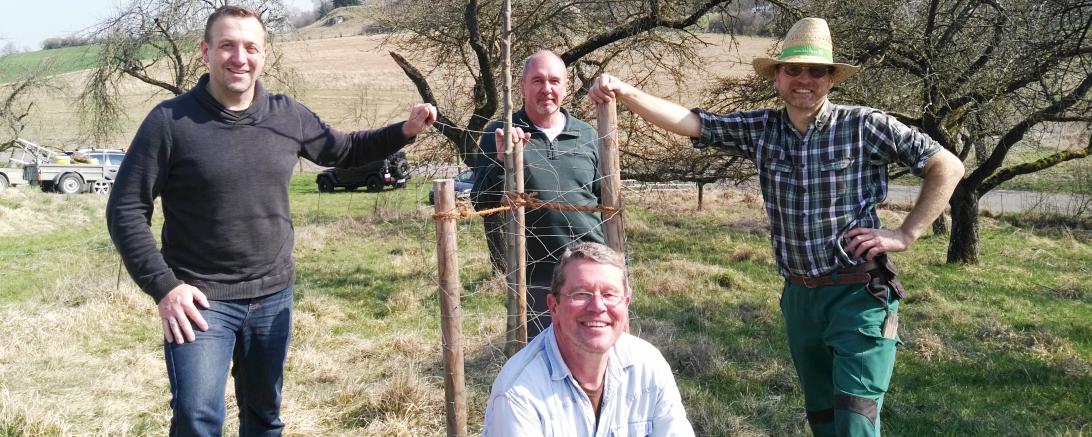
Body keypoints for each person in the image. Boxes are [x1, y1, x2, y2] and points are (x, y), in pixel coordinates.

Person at [588, 17, 964, 437]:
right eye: (794, 70)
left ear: (831, 80)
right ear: (777, 78)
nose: (805, 79)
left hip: (858, 293)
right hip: (800, 298)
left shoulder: (864, 126)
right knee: (822, 416)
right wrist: (624, 91)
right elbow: (690, 122)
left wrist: (905, 233)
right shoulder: (762, 130)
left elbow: (947, 164)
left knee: (856, 421)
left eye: (816, 71)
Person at [105, 5, 436, 435]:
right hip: (200, 302)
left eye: (249, 47)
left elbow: (346, 150)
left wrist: (404, 131)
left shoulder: (286, 115)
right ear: (205, 51)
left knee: (264, 418)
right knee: (197, 418)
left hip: (272, 295)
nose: (238, 57)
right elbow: (125, 209)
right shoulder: (170, 123)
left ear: (263, 55)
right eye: (226, 45)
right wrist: (164, 288)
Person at [482, 242, 695, 436]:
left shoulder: (648, 366)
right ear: (553, 306)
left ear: (626, 303)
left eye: (609, 294)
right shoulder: (519, 392)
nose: (597, 307)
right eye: (581, 294)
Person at [471, 49, 604, 339]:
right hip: (535, 276)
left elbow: (605, 203)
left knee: (592, 351)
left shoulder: (589, 135)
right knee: (540, 358)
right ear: (522, 86)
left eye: (555, 81)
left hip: (591, 270)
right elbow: (481, 203)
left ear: (566, 87)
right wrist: (501, 160)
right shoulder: (500, 132)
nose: (547, 89)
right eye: (538, 81)